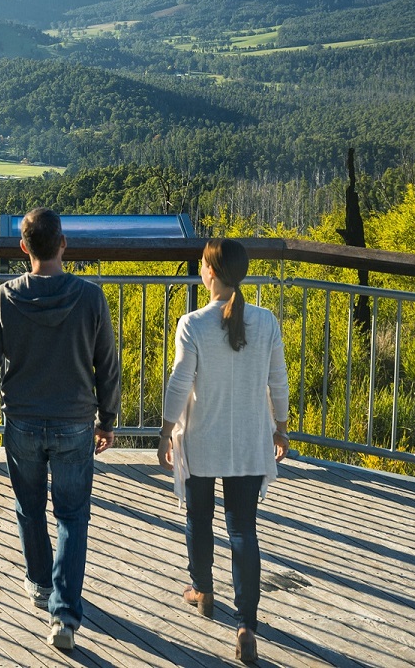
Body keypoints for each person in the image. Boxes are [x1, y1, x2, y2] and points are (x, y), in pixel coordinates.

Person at [0, 208, 121, 652]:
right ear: (63, 245)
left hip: (23, 420)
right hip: (75, 422)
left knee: (29, 506)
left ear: (23, 248)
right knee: (73, 515)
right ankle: (64, 613)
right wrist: (107, 419)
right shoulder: (90, 298)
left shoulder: (6, 296)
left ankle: (39, 584)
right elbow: (107, 365)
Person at [158, 238, 290, 668]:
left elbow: (180, 383)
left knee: (199, 518)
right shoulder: (266, 322)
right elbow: (278, 381)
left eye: (201, 265)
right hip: (249, 441)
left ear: (210, 273)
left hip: (201, 439)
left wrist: (163, 432)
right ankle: (246, 625)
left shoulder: (192, 324)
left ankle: (203, 591)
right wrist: (282, 428)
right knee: (243, 530)